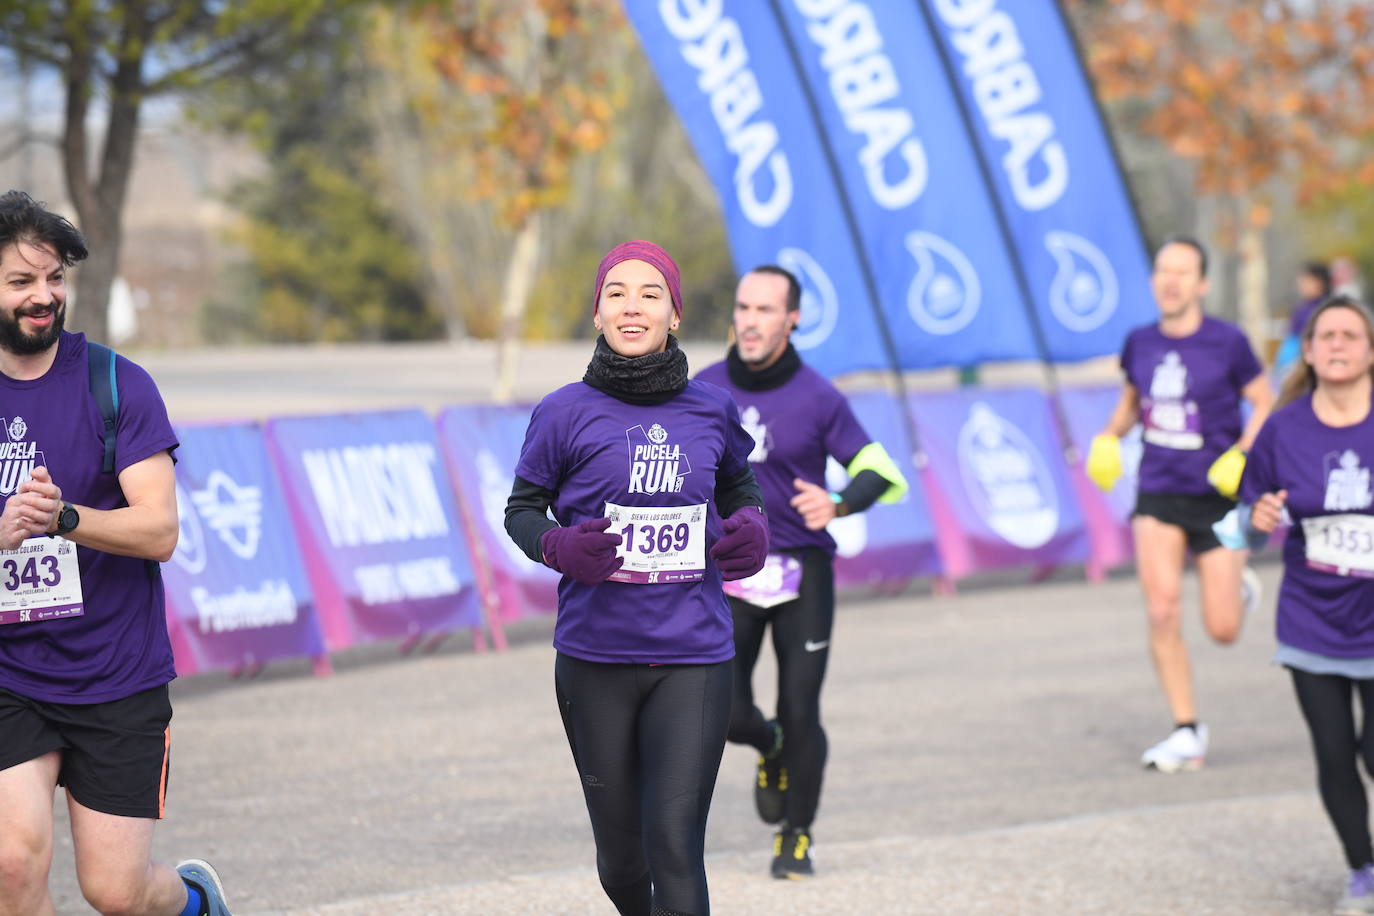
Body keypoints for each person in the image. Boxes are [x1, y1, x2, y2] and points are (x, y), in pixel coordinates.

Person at [504, 240, 768, 916]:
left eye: (651, 293)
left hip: (695, 656)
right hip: (595, 658)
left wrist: (753, 528)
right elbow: (522, 511)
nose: (632, 305)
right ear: (597, 313)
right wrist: (561, 545)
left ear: (674, 315)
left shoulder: (711, 409)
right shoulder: (562, 413)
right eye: (616, 292)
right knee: (622, 864)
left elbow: (741, 488)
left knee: (675, 846)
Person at [0, 191, 232, 915]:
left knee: (116, 891)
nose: (45, 297)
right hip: (10, 670)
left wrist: (64, 518)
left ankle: (194, 901)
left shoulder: (114, 383)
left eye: (54, 279)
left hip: (114, 673)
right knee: (11, 863)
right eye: (21, 282)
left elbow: (159, 529)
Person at [697, 266, 908, 879]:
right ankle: (769, 747)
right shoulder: (704, 390)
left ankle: (796, 835)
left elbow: (878, 468)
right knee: (725, 711)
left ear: (792, 320)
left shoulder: (818, 396)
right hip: (732, 572)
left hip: (800, 572)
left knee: (800, 705)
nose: (750, 321)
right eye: (742, 307)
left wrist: (840, 503)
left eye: (765, 310)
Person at [1086, 235, 1272, 773]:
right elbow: (1130, 403)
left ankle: (1236, 586)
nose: (1171, 281)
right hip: (1159, 491)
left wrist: (1243, 452)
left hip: (1217, 496)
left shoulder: (1228, 342)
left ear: (1202, 284)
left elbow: (1263, 400)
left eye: (1182, 272)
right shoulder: (1139, 342)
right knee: (1162, 608)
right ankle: (1186, 729)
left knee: (1223, 629)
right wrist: (1107, 437)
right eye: (1163, 271)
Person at [1243, 296, 1374, 916]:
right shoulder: (1285, 427)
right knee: (1332, 753)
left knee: (1373, 750)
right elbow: (1239, 522)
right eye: (1327, 335)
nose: (1339, 344)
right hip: (1312, 619)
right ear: (1311, 350)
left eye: (1351, 334)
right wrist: (1255, 518)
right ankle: (1362, 871)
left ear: (1370, 350)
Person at [1275, 262, 1333, 374]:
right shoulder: (1302, 307)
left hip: (1304, 367)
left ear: (1319, 282)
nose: (1301, 285)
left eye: (1306, 280)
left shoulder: (1324, 310)